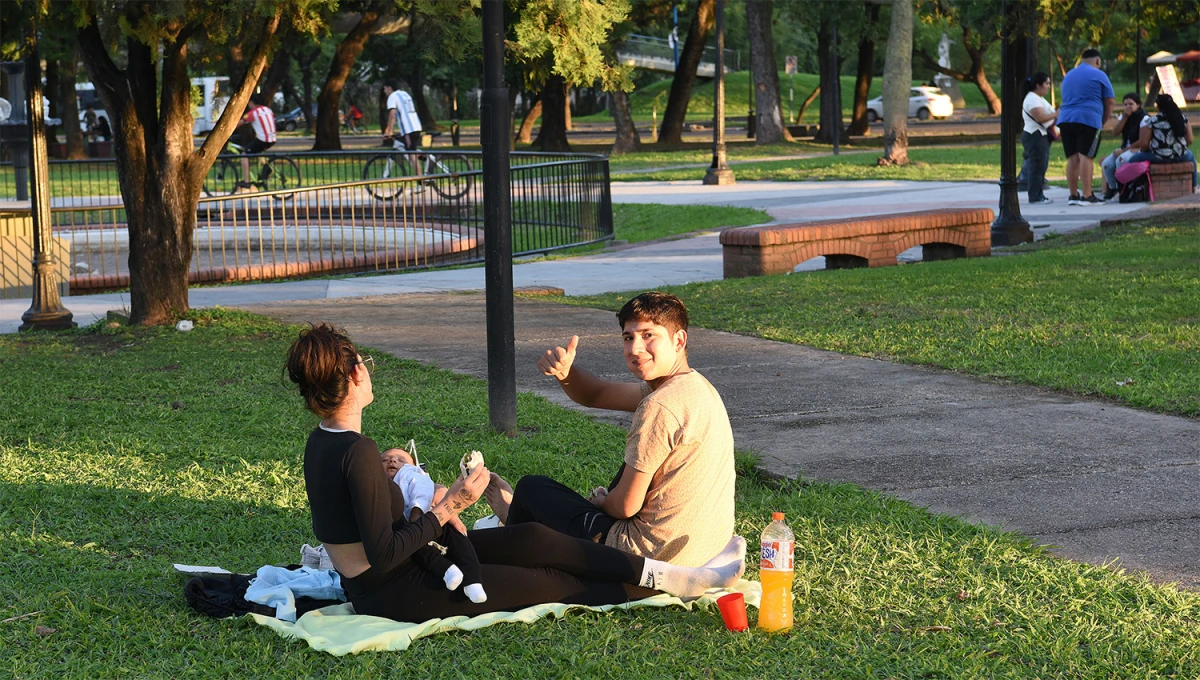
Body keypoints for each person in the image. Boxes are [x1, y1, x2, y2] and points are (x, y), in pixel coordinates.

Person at [285, 323, 745, 623]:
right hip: (394, 589)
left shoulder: (322, 441)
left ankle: (662, 573)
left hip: (415, 559)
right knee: (553, 581)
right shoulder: (357, 451)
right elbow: (383, 555)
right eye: (364, 362)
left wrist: (420, 496)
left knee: (535, 541)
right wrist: (448, 506)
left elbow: (371, 526)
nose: (368, 368)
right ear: (353, 375)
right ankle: (667, 582)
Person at [485, 292, 737, 568]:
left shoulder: (660, 405)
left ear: (679, 340)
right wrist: (565, 373)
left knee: (532, 489)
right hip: (703, 554)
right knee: (622, 476)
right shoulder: (695, 387)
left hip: (646, 560)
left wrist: (601, 501)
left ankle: (512, 521)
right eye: (629, 338)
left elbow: (625, 507)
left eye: (648, 335)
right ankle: (518, 519)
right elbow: (596, 394)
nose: (635, 348)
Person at [381, 447, 487, 603]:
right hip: (408, 530)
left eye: (401, 460)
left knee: (459, 542)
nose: (392, 461)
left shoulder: (410, 474)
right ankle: (447, 570)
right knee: (420, 551)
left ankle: (473, 581)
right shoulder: (380, 483)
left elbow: (422, 489)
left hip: (429, 518)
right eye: (384, 460)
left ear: (414, 466)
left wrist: (417, 510)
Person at [1056, 48, 1115, 206]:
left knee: (1073, 158)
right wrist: (1102, 121)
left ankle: (1073, 195)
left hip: (1065, 119)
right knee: (1086, 157)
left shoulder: (1068, 75)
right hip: (1088, 118)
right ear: (1097, 61)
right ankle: (1087, 195)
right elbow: (1110, 101)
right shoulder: (1099, 74)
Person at [1125, 94, 1196, 188]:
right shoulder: (1182, 118)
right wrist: (1179, 148)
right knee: (1191, 157)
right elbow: (1190, 140)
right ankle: (1195, 186)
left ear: (1158, 106)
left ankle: (1129, 187)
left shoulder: (1153, 120)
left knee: (1133, 159)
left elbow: (1144, 144)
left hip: (1158, 156)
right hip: (1180, 155)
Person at [1100, 93, 1147, 200]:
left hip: (1137, 150)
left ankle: (1124, 188)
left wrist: (1124, 151)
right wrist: (1125, 117)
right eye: (1125, 104)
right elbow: (1115, 132)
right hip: (1124, 149)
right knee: (1106, 164)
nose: (1128, 107)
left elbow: (1142, 141)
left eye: (1131, 104)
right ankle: (1113, 188)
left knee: (1120, 161)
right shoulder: (1123, 117)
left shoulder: (1144, 118)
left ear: (1138, 105)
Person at [1021, 73, 1057, 205]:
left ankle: (1039, 194)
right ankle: (1035, 196)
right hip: (1034, 135)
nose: (1048, 86)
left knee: (1041, 165)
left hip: (1041, 135)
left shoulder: (1038, 98)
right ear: (1038, 85)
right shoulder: (1032, 99)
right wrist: (1057, 113)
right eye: (1046, 83)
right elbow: (1040, 118)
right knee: (1037, 166)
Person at [381, 79, 423, 177]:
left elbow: (392, 115)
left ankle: (421, 182)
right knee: (412, 150)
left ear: (389, 88)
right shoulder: (404, 94)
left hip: (409, 129)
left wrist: (389, 131)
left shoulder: (392, 97)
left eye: (385, 89)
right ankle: (426, 159)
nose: (384, 91)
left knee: (411, 155)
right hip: (416, 126)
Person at [238, 95, 277, 191]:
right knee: (257, 150)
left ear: (251, 103)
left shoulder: (253, 113)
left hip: (263, 139)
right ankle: (266, 167)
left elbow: (239, 123)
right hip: (272, 139)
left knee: (244, 155)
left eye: (249, 103)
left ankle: (246, 182)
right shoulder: (268, 110)